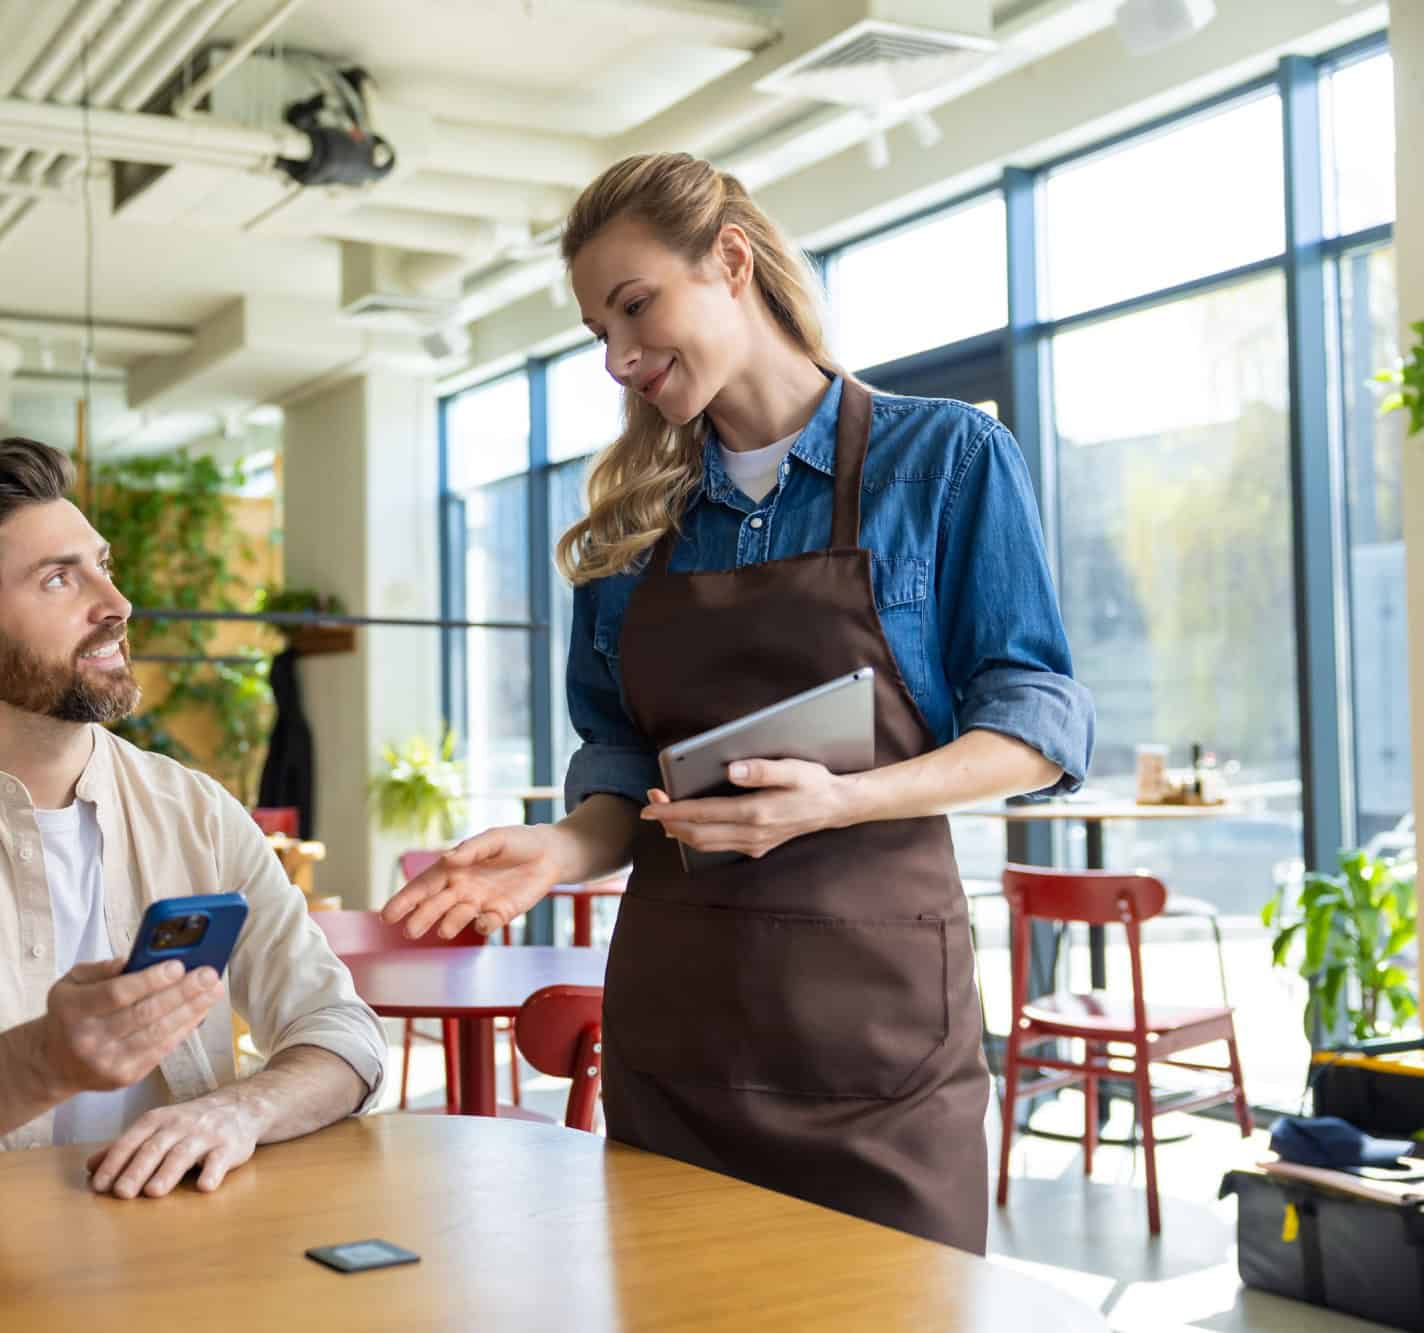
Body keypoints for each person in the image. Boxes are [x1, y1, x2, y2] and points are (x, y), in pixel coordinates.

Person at [384, 153, 1093, 1254]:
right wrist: (558, 853)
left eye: (634, 307)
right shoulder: (626, 530)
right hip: (680, 1042)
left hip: (877, 1049)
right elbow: (621, 763)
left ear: (728, 260)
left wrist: (835, 801)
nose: (619, 358)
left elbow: (1036, 724)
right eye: (597, 334)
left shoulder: (945, 460)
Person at [0, 439, 384, 1199]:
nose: (117, 604)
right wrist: (46, 1059)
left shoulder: (196, 811)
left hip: (184, 1256)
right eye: (60, 579)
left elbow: (343, 1029)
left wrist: (239, 1110)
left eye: (104, 565)